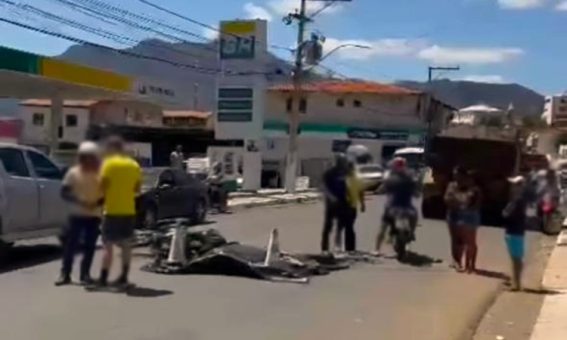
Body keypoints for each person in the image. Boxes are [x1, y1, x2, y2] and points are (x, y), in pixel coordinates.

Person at [55, 141, 103, 286]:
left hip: (94, 216)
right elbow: (64, 192)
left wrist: (97, 202)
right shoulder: (73, 172)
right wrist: (79, 200)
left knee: (89, 247)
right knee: (70, 246)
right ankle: (65, 274)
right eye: (86, 156)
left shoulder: (100, 173)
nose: (89, 159)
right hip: (76, 215)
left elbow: (107, 193)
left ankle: (85, 274)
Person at [98, 136, 142, 287]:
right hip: (128, 211)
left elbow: (102, 188)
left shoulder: (108, 164)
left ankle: (103, 279)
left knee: (108, 246)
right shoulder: (134, 165)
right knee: (126, 246)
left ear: (111, 149)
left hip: (111, 211)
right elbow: (137, 190)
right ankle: (124, 277)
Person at [374, 157, 418, 255]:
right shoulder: (403, 178)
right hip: (399, 207)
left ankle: (377, 249)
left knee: (384, 226)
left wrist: (379, 191)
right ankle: (377, 248)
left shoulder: (405, 178)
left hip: (399, 207)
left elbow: (382, 189)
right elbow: (416, 192)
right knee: (383, 227)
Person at [444, 167, 482, 273]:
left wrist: (459, 201)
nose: (456, 176)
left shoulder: (474, 188)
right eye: (454, 174)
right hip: (454, 215)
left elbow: (472, 202)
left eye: (457, 174)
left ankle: (471, 265)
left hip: (469, 215)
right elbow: (447, 199)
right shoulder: (452, 185)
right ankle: (458, 262)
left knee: (470, 242)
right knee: (457, 240)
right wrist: (459, 202)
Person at [503, 175, 528, 291]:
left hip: (515, 231)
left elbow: (506, 213)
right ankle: (516, 282)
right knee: (515, 259)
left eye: (515, 185)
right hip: (514, 231)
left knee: (516, 259)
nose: (512, 187)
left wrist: (506, 211)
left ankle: (516, 284)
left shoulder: (518, 200)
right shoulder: (517, 199)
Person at [334, 161, 366, 252]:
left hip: (345, 206)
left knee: (341, 227)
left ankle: (339, 247)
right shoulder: (358, 178)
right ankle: (350, 249)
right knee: (349, 228)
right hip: (352, 207)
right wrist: (363, 204)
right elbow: (361, 192)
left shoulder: (344, 178)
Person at [321, 153, 349, 253]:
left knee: (340, 226)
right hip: (331, 203)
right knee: (328, 226)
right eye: (341, 161)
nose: (343, 163)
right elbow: (324, 187)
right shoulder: (330, 173)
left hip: (343, 202)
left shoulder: (345, 172)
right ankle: (325, 248)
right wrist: (331, 197)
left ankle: (338, 246)